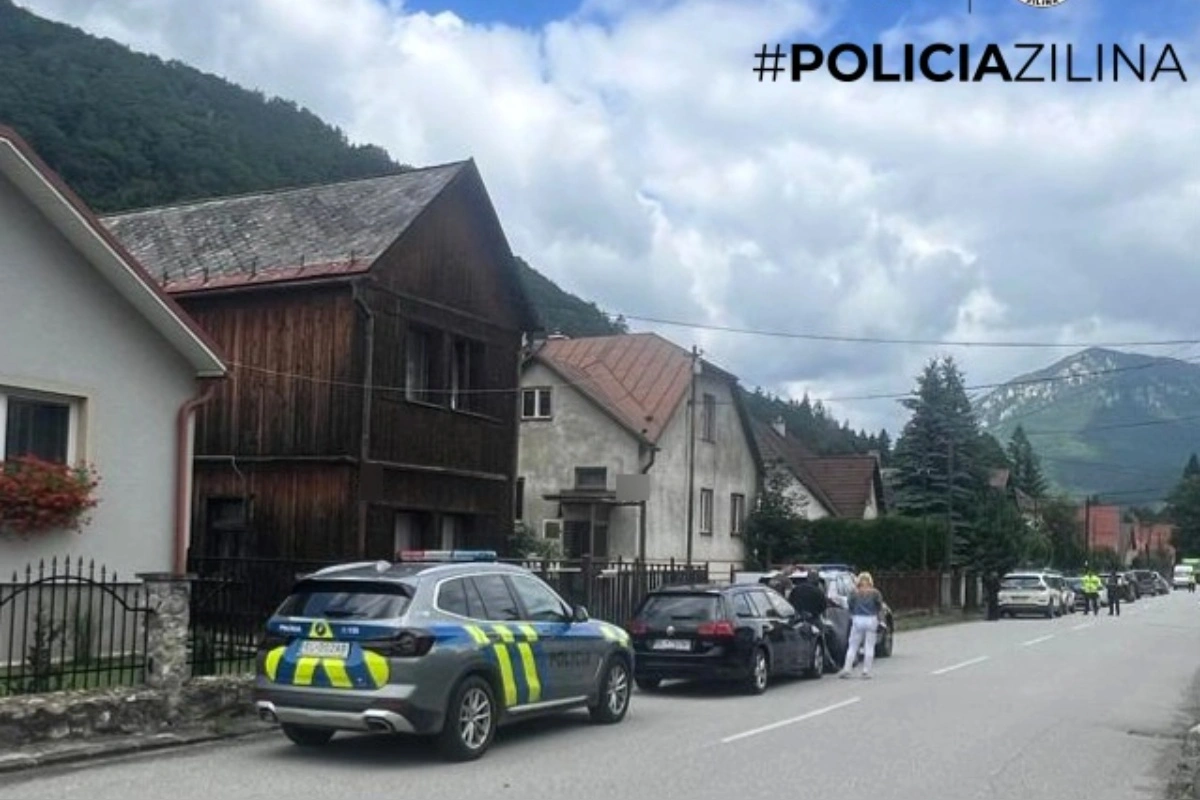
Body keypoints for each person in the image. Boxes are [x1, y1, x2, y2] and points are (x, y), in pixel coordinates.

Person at [839, 572, 885, 680]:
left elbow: (849, 604)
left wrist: (852, 613)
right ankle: (866, 671)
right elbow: (879, 606)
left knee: (853, 645)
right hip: (871, 619)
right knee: (869, 646)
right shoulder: (875, 593)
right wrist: (881, 620)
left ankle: (847, 669)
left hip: (858, 618)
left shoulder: (854, 592)